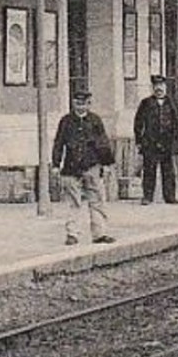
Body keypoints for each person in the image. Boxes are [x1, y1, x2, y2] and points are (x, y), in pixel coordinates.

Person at [51, 88, 116, 246]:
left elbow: (103, 143)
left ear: (89, 104)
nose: (81, 107)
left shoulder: (95, 121)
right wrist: (55, 164)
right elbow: (58, 143)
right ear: (73, 103)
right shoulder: (65, 121)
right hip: (71, 168)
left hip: (92, 167)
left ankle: (99, 233)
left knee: (97, 201)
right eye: (78, 104)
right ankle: (72, 234)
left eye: (84, 104)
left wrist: (106, 164)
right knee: (74, 202)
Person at [133, 75, 178, 205]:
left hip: (167, 142)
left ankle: (170, 197)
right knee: (149, 170)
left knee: (168, 171)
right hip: (150, 142)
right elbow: (138, 123)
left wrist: (174, 139)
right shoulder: (146, 103)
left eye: (161, 86)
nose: (159, 89)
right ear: (153, 88)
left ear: (165, 87)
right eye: (156, 86)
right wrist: (139, 141)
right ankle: (147, 197)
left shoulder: (171, 103)